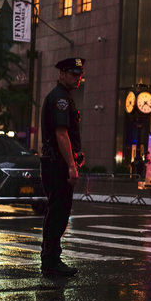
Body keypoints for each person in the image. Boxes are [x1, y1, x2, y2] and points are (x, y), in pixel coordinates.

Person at [39, 57, 85, 276]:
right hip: (57, 165)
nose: (78, 78)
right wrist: (71, 166)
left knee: (56, 211)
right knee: (58, 212)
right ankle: (51, 260)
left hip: (55, 163)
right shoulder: (60, 99)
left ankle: (50, 257)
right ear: (62, 74)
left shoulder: (63, 96)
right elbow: (61, 133)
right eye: (74, 74)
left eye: (79, 74)